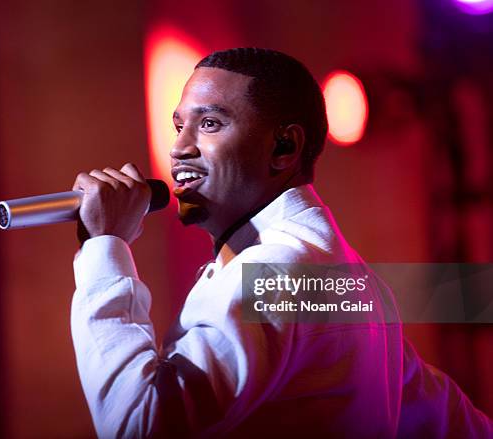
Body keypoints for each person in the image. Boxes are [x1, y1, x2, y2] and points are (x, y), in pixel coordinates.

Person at [70, 48, 491, 438]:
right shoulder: (340, 277)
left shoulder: (276, 273)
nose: (179, 148)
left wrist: (105, 247)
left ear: (285, 147)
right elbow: (453, 420)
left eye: (210, 124)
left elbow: (138, 423)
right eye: (179, 126)